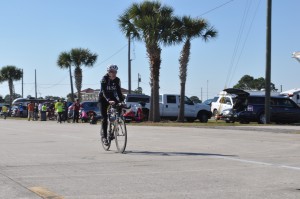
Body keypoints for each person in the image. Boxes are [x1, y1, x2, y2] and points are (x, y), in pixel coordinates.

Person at [99, 64, 124, 145]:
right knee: (104, 118)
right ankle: (105, 137)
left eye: (115, 72)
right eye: (111, 72)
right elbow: (103, 91)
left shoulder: (117, 80)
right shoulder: (104, 79)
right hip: (103, 98)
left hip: (112, 97)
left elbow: (119, 92)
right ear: (108, 72)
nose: (113, 73)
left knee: (120, 106)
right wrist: (108, 100)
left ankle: (114, 125)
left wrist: (122, 101)